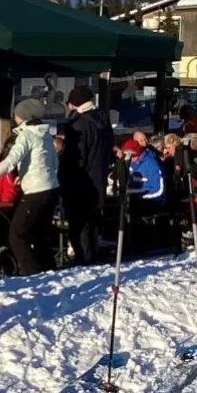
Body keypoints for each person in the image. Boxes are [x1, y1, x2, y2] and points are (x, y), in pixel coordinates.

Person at [0, 99, 61, 276]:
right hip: (51, 189)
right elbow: (54, 163)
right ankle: (50, 271)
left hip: (35, 191)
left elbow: (10, 161)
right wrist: (25, 176)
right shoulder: (45, 134)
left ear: (22, 116)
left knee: (16, 235)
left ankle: (31, 274)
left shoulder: (26, 135)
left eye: (16, 114)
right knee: (39, 233)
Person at [58, 85, 111, 265]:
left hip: (80, 181)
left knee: (78, 224)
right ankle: (90, 256)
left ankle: (83, 259)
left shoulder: (79, 125)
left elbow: (75, 158)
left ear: (74, 103)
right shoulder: (103, 120)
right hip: (98, 180)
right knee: (91, 222)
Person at [129, 134, 165, 204]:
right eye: (141, 141)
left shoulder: (150, 161)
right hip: (144, 198)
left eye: (145, 140)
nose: (145, 142)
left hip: (149, 200)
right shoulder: (142, 160)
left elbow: (157, 188)